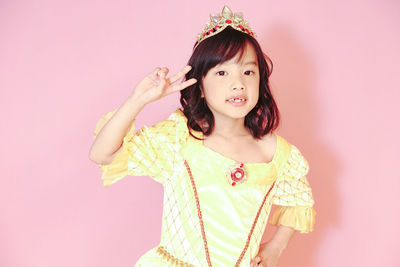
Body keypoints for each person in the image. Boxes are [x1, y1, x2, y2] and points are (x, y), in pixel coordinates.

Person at [89, 5, 316, 267]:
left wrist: (275, 249)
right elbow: (102, 154)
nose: (238, 83)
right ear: (201, 85)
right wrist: (138, 100)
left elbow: (299, 201)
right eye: (222, 72)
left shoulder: (277, 154)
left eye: (248, 71)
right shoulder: (177, 141)